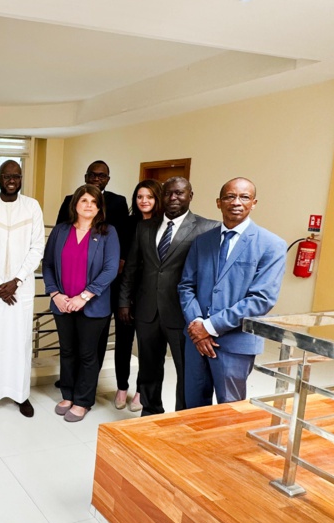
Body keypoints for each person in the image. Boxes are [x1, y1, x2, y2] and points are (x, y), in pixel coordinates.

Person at [178, 178, 286, 407]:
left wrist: (209, 327)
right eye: (229, 196)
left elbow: (261, 300)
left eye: (244, 197)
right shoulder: (202, 242)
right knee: (193, 409)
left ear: (254, 203)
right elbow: (186, 286)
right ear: (219, 202)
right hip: (196, 341)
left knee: (230, 410)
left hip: (235, 342)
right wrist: (197, 324)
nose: (236, 202)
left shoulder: (271, 245)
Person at [119, 177, 217, 415]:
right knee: (149, 367)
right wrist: (123, 301)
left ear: (190, 196)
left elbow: (212, 275)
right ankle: (151, 413)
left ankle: (182, 417)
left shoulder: (207, 228)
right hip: (147, 310)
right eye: (168, 193)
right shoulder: (145, 227)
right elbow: (131, 267)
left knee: (187, 371)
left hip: (183, 313)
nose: (173, 198)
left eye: (179, 193)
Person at [0, 160, 45, 418]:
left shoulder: (32, 206)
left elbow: (37, 247)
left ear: (21, 178)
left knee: (19, 342)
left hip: (20, 290)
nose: (12, 180)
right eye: (7, 176)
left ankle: (20, 394)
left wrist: (16, 281)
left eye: (16, 176)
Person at [43, 185, 120, 422]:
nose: (88, 205)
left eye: (94, 202)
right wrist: (55, 294)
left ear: (99, 207)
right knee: (67, 351)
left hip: (92, 306)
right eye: (84, 200)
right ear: (75, 203)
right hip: (63, 304)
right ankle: (68, 395)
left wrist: (84, 296)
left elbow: (110, 269)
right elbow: (47, 264)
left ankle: (83, 401)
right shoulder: (60, 230)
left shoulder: (108, 233)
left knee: (87, 354)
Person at [55, 161, 130, 400]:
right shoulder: (68, 207)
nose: (97, 179)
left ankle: (85, 390)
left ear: (108, 179)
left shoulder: (117, 205)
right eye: (93, 175)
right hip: (66, 293)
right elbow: (55, 248)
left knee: (92, 346)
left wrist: (89, 292)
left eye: (102, 175)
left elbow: (122, 240)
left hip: (101, 287)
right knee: (69, 348)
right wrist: (55, 293)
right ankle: (69, 387)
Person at [112, 179, 163, 412]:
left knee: (147, 347)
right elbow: (120, 260)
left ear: (157, 198)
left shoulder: (164, 225)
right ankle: (121, 387)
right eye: (140, 196)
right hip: (124, 292)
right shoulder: (127, 223)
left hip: (150, 296)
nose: (144, 201)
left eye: (149, 197)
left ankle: (142, 391)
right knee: (123, 343)